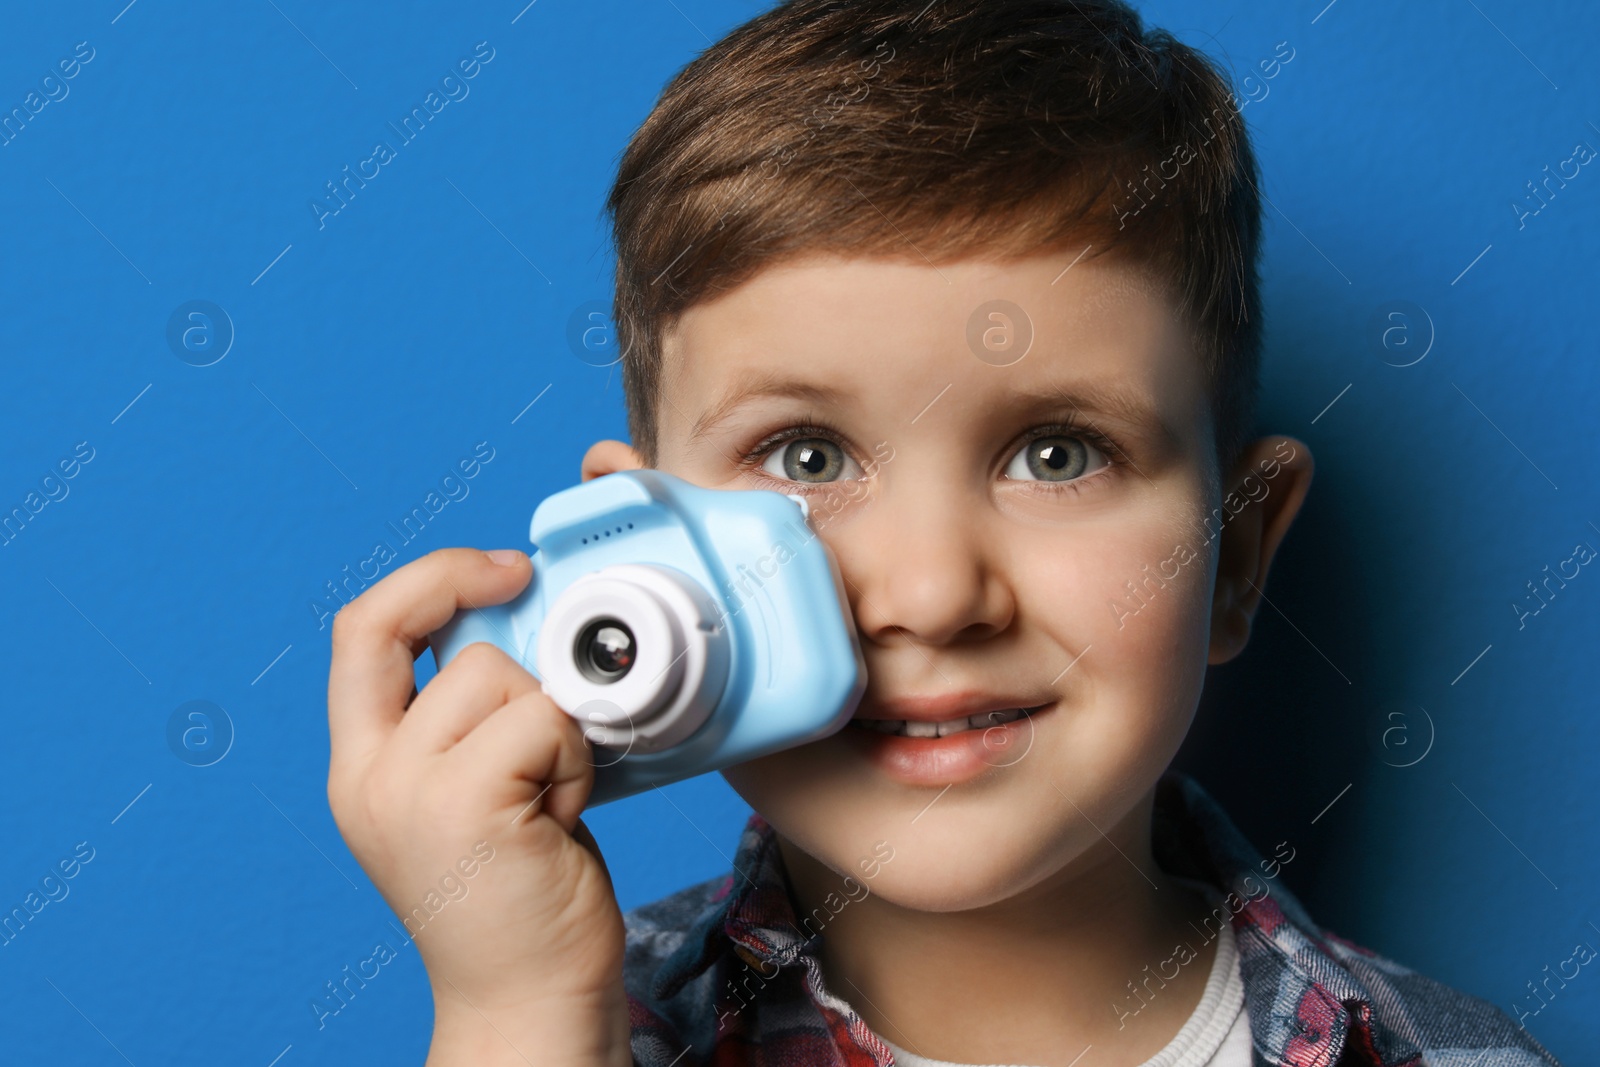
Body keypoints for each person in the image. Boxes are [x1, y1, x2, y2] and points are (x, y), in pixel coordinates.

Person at [323, 1, 1561, 1063]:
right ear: (635, 543)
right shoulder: (562, 1025)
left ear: (1234, 551)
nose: (928, 590)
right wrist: (517, 1010)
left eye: (1057, 453)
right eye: (808, 457)